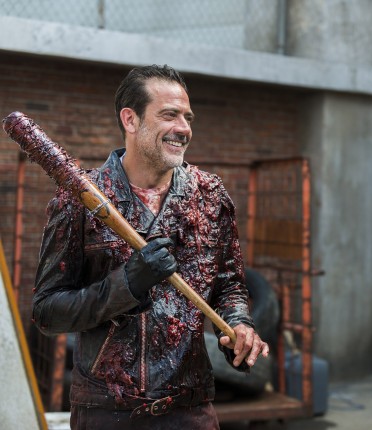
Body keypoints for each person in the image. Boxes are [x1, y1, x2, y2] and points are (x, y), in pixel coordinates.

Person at [32, 64, 269, 429]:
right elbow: (47, 312)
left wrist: (238, 324)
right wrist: (126, 284)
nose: (184, 128)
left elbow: (229, 285)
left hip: (189, 409)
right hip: (106, 411)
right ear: (131, 119)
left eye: (188, 117)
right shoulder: (78, 201)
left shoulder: (210, 197)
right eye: (169, 115)